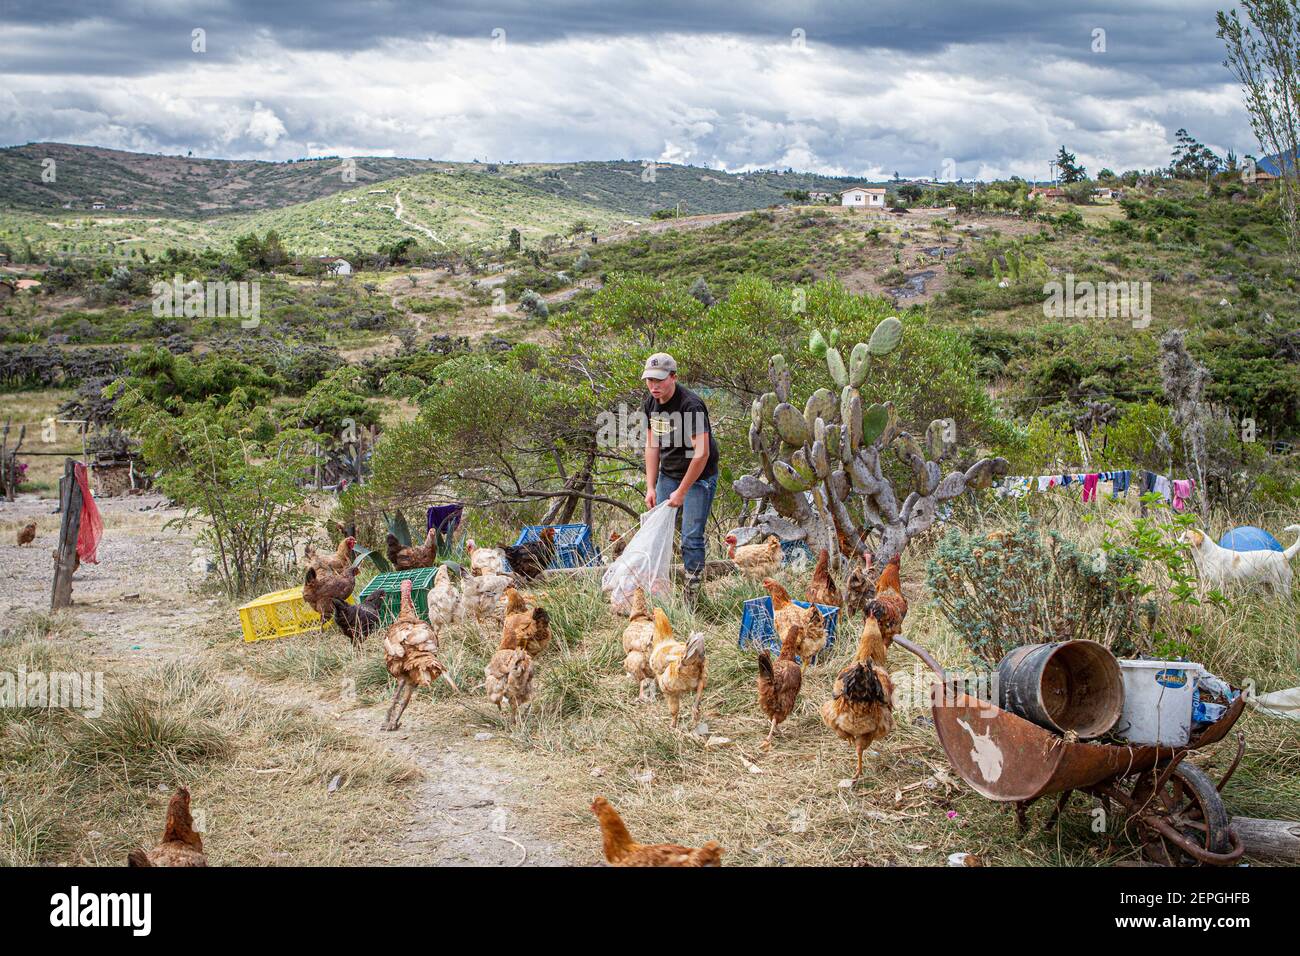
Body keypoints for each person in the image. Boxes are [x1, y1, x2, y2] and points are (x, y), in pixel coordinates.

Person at [641, 352, 719, 607]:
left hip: (699, 476)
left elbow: (702, 453)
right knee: (657, 529)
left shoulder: (690, 405)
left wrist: (683, 491)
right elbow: (652, 446)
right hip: (670, 473)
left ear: (673, 377)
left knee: (690, 536)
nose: (654, 386)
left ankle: (693, 597)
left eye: (660, 380)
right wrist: (651, 485)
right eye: (650, 380)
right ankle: (656, 590)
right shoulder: (651, 404)